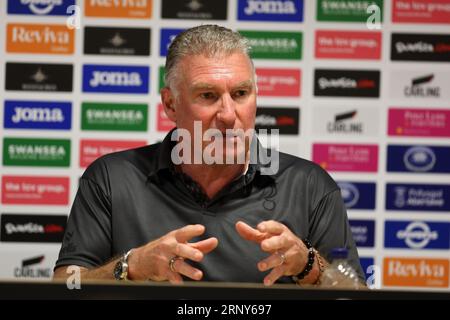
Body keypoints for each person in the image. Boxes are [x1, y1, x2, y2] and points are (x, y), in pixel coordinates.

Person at [53, 25, 365, 286]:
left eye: (241, 94)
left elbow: (355, 291)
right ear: (171, 105)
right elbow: (65, 284)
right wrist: (131, 265)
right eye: (208, 95)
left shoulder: (310, 185)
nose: (229, 114)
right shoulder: (111, 178)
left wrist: (308, 264)